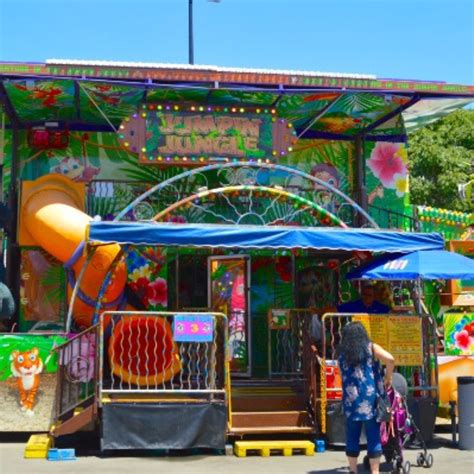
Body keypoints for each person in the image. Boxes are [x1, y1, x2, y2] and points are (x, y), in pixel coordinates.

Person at [337, 322, 395, 474]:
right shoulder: (370, 347)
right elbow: (390, 359)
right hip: (370, 400)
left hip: (351, 400)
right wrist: (388, 378)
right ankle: (375, 471)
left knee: (352, 435)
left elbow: (341, 373)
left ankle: (353, 470)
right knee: (373, 435)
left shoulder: (342, 353)